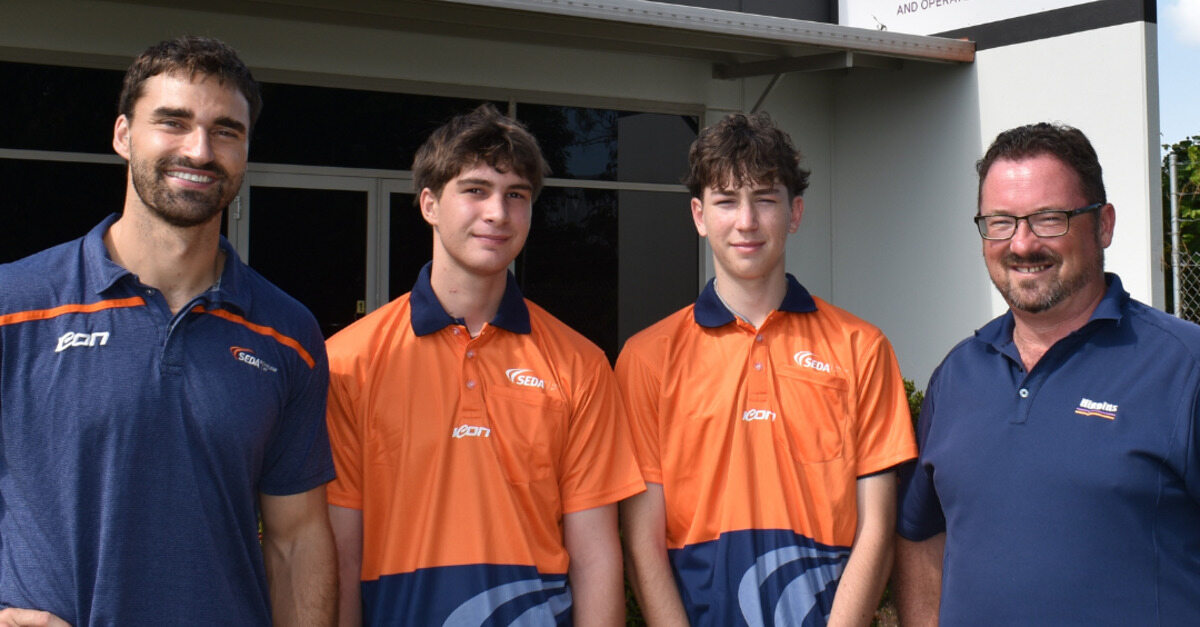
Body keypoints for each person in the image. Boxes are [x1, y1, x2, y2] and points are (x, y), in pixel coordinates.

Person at [0, 36, 337, 625]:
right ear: (123, 135)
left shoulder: (287, 333)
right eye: (173, 122)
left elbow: (296, 541)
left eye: (226, 130)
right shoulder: (15, 305)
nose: (200, 149)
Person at [324, 103, 644, 626]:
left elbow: (595, 556)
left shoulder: (580, 364)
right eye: (475, 190)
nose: (498, 212)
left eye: (516, 195)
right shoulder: (349, 362)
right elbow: (340, 556)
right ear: (429, 204)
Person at [616, 111, 917, 626]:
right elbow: (642, 543)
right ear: (698, 215)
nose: (746, 221)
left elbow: (877, 527)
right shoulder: (647, 358)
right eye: (726, 201)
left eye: (765, 199)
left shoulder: (861, 347)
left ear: (795, 212)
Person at [895, 122, 1200, 624]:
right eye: (1000, 221)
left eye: (1049, 218)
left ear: (1103, 224)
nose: (1022, 244)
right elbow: (922, 535)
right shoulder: (957, 376)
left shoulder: (1182, 369)